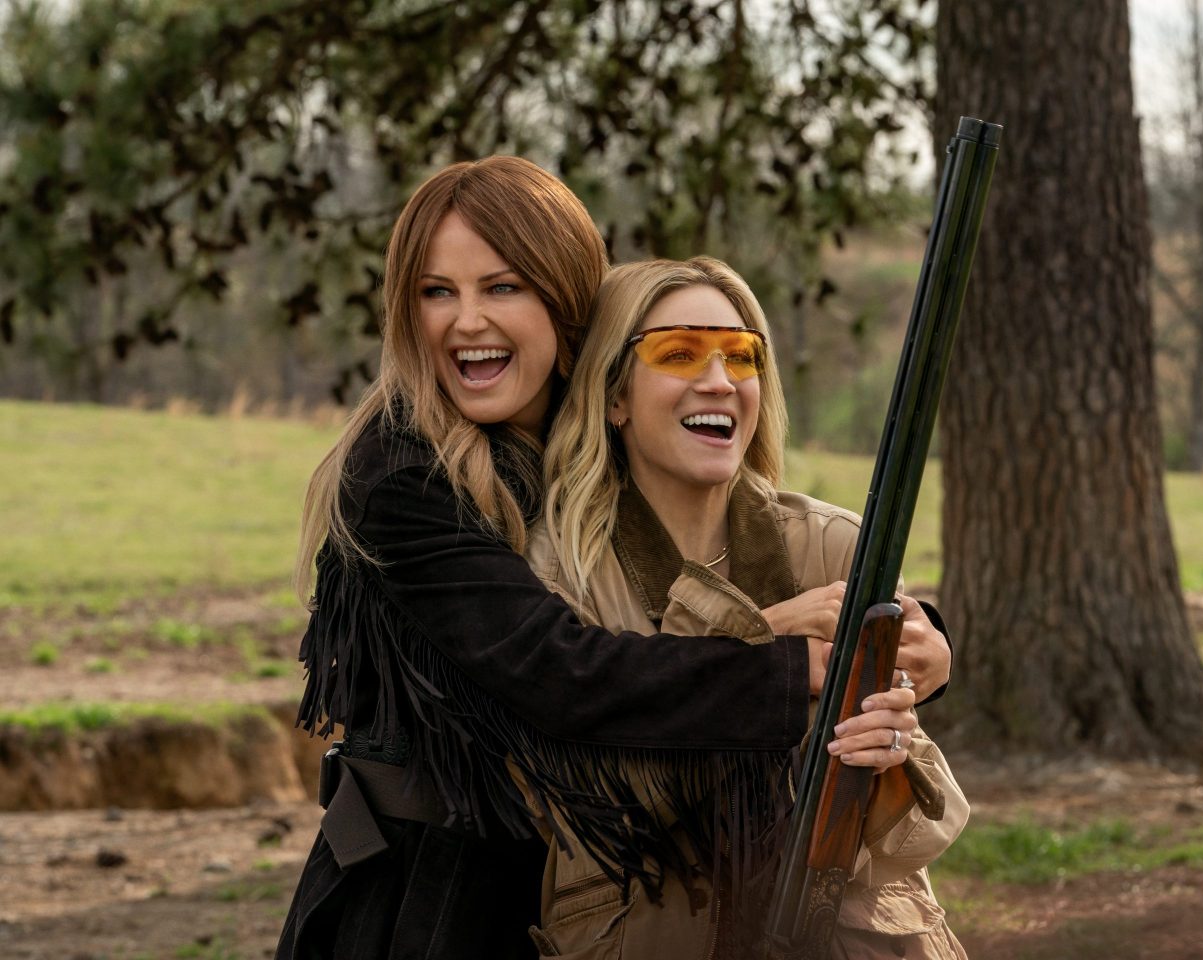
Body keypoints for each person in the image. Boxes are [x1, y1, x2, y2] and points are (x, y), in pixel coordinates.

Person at [274, 159, 921, 959]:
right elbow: (565, 673)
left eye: (502, 287)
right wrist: (784, 655)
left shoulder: (574, 429)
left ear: (565, 299)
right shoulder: (403, 474)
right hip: (426, 898)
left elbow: (726, 538)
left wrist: (918, 638)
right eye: (436, 291)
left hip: (565, 887)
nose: (466, 320)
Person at [526, 256, 968, 958]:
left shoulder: (838, 546)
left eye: (741, 356)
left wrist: (888, 752)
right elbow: (583, 808)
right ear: (614, 397)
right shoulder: (558, 572)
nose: (719, 380)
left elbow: (912, 837)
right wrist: (761, 642)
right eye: (679, 354)